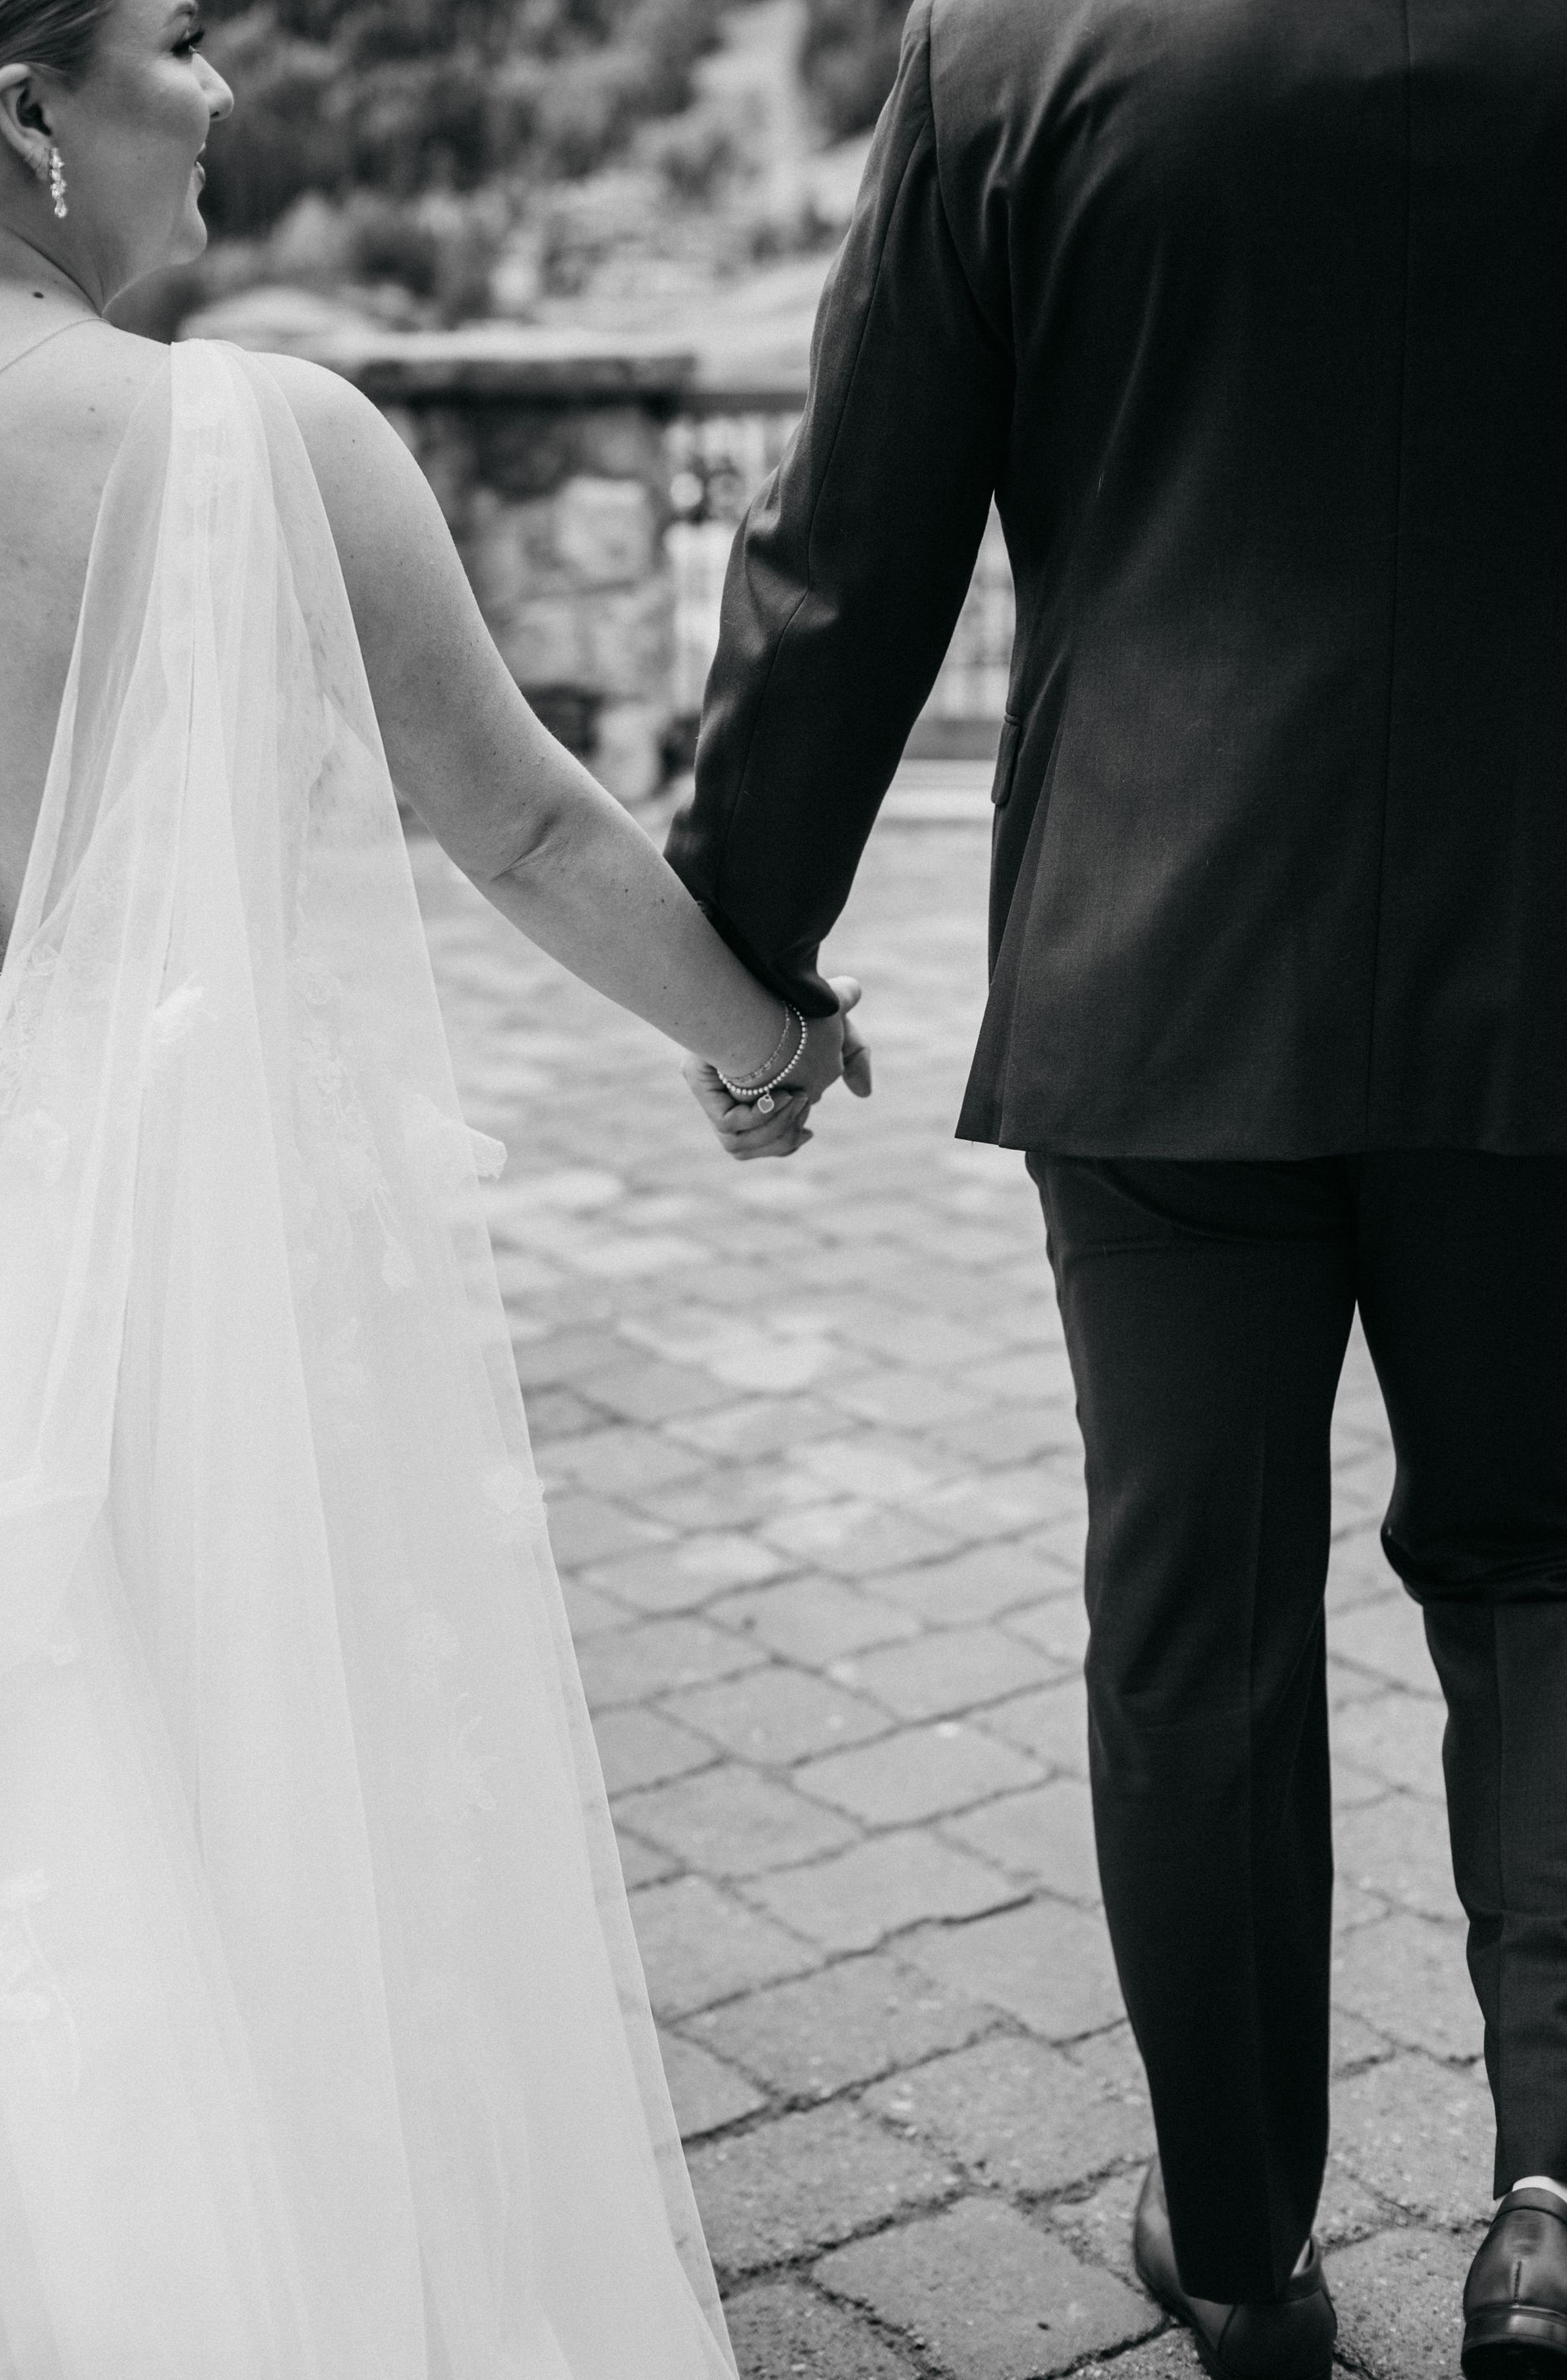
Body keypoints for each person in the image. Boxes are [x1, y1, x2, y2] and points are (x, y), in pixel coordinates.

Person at [666, 2, 1567, 2373]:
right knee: (1552, 1563)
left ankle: (1253, 2254)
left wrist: (743, 954)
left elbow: (848, 550)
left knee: (1198, 1624)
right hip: (1546, 954)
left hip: (1159, 968)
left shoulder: (1012, 49)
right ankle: (1557, 2206)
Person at [0, 0, 871, 2368]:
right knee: (251, 1790)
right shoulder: (248, 442)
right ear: (26, 114)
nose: (226, 90)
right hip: (185, 1261)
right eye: (176, 40)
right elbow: (527, 822)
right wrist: (769, 1042)